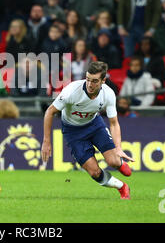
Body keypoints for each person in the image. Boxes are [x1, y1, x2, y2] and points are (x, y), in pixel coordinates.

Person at [41, 61, 134, 200]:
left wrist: (118, 147)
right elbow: (49, 112)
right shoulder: (72, 91)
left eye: (95, 81)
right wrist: (46, 141)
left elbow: (114, 123)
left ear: (103, 80)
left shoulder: (108, 94)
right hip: (73, 132)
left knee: (113, 161)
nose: (90, 84)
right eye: (88, 79)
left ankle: (118, 163)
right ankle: (122, 187)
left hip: (95, 125)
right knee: (95, 172)